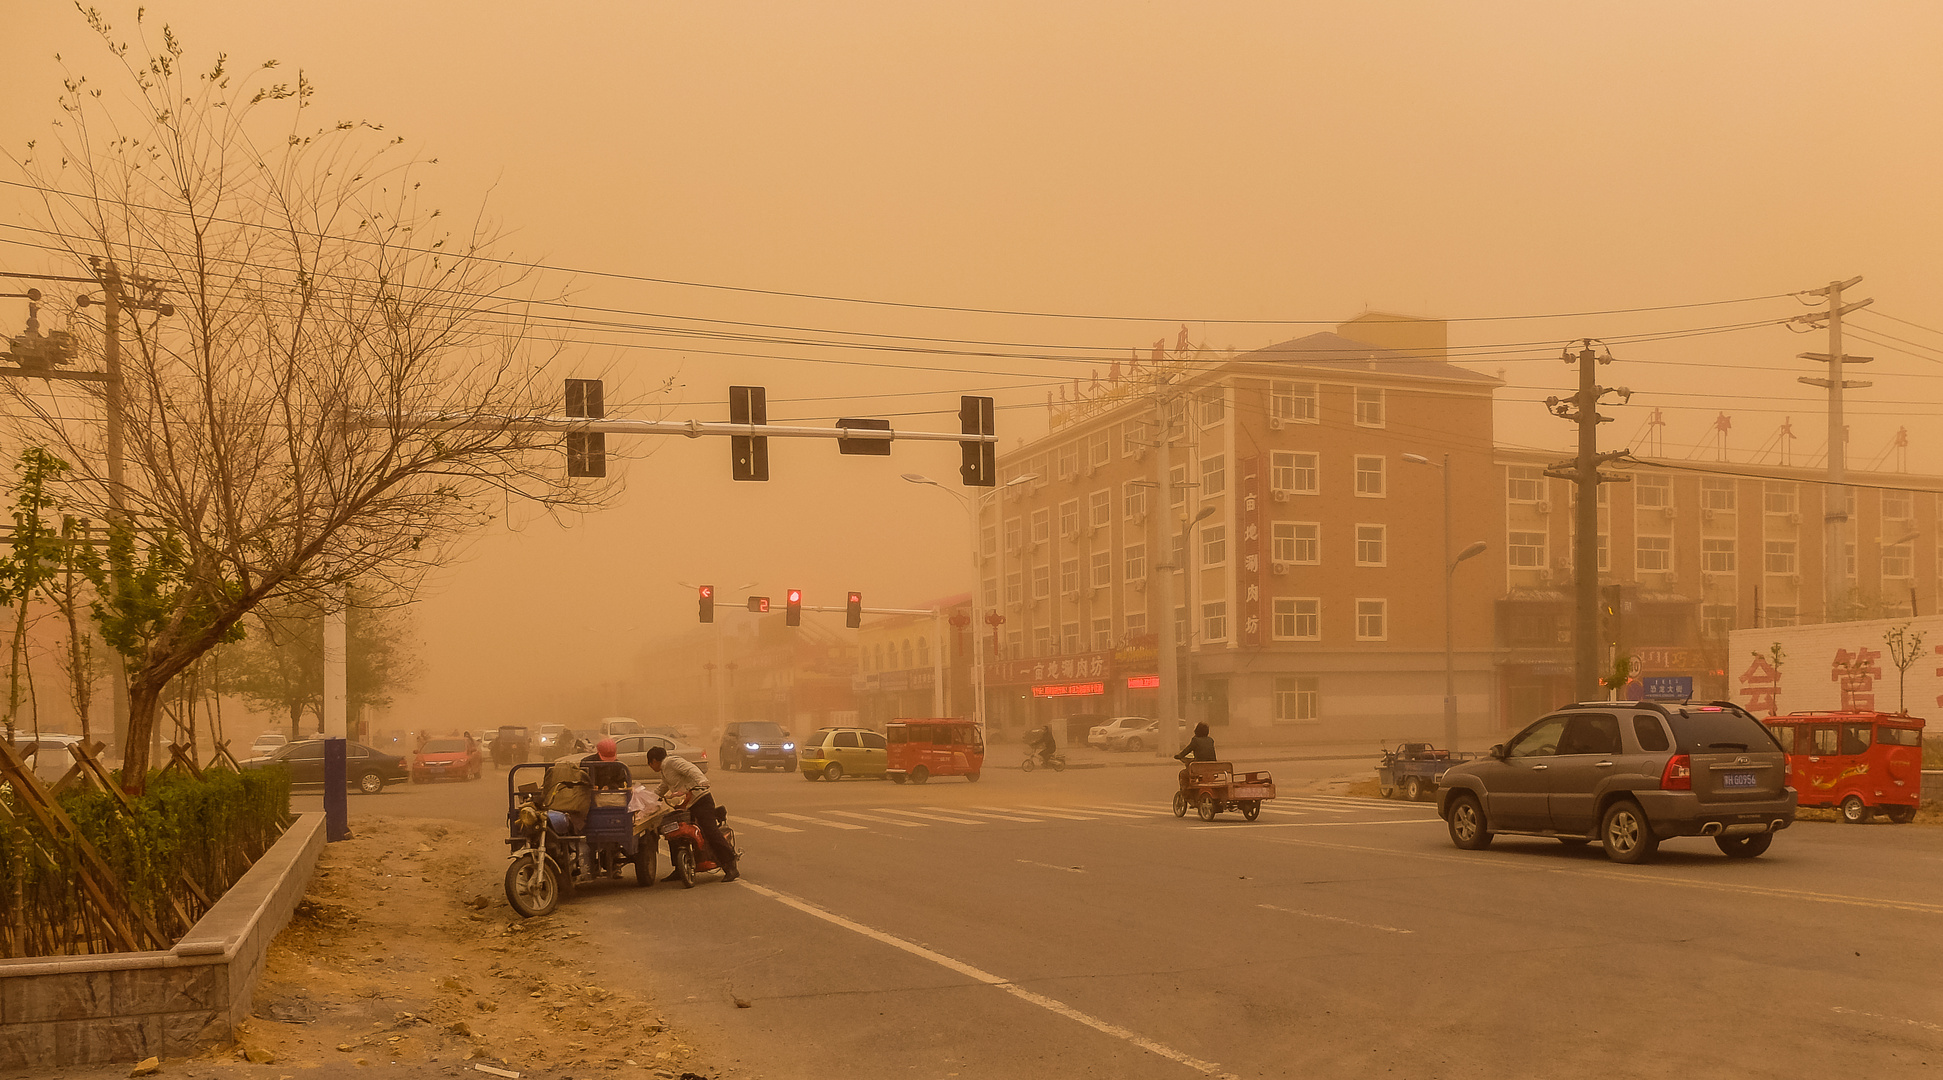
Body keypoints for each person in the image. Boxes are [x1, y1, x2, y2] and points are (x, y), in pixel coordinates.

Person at [643, 745, 738, 883]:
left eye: (650, 763)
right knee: (674, 832)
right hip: (686, 805)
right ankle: (679, 869)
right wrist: (646, 800)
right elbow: (662, 788)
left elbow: (690, 769)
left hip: (701, 801)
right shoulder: (665, 771)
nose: (650, 766)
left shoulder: (671, 762)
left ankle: (730, 865)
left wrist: (702, 781)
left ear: (654, 761)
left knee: (710, 832)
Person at [1174, 722, 1217, 788]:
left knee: (1183, 774)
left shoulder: (1195, 740)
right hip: (1211, 769)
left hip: (1199, 768)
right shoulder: (1210, 740)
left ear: (1196, 731)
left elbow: (1187, 750)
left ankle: (1186, 793)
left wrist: (1179, 756)